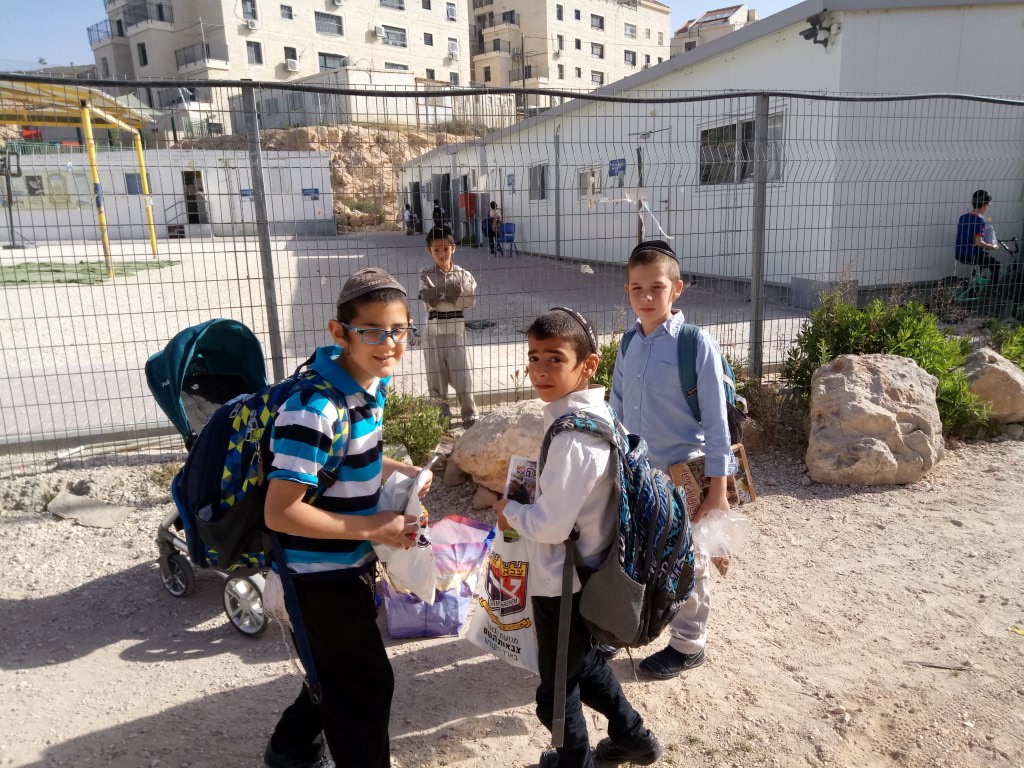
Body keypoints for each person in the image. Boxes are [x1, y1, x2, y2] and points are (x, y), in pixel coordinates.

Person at [262, 268, 433, 768]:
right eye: (371, 331)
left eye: (399, 330)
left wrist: (405, 471)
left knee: (335, 671)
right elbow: (281, 511)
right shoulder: (314, 409)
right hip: (317, 576)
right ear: (340, 333)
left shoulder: (371, 384)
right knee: (365, 686)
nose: (389, 343)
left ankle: (290, 751)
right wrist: (373, 528)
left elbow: (353, 457)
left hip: (349, 565)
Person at [493, 307, 664, 768]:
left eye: (555, 359)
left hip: (562, 584)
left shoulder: (573, 439)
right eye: (534, 358)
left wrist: (510, 512)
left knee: (555, 694)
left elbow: (550, 527)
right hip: (591, 571)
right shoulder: (598, 414)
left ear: (588, 365)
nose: (540, 371)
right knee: (580, 664)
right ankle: (634, 738)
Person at [607, 239, 736, 680]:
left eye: (656, 288)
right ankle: (628, 626)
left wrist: (718, 492)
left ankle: (687, 644)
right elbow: (616, 409)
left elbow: (717, 423)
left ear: (676, 289)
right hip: (640, 475)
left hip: (684, 478)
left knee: (689, 560)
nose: (646, 297)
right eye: (636, 288)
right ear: (627, 290)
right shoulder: (628, 344)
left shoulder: (695, 344)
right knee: (637, 554)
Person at [418, 226, 479, 427]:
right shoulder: (425, 274)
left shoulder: (464, 274)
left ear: (453, 248)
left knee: (462, 375)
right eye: (436, 249)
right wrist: (454, 291)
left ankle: (469, 415)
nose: (441, 253)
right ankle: (442, 417)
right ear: (429, 251)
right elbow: (428, 298)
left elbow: (468, 300)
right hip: (433, 332)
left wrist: (439, 293)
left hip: (455, 331)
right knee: (436, 377)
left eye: (445, 248)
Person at [955, 189, 1001, 285]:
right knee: (996, 264)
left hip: (959, 253)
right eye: (988, 205)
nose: (988, 207)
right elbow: (978, 242)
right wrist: (990, 246)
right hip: (972, 254)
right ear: (985, 205)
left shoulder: (963, 217)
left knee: (983, 260)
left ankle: (973, 284)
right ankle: (994, 290)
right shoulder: (980, 219)